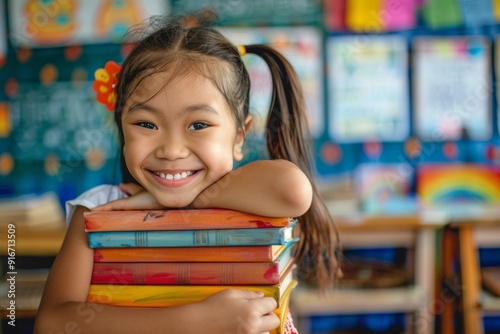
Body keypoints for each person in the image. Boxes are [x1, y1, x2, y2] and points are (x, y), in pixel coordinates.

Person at [34, 13, 339, 334]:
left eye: (198, 125)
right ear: (121, 126)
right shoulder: (98, 209)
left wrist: (187, 201)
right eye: (146, 124)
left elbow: (294, 190)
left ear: (239, 136)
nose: (171, 150)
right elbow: (53, 323)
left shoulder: (252, 195)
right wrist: (193, 321)